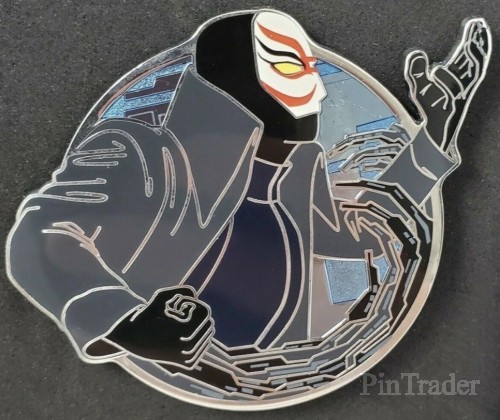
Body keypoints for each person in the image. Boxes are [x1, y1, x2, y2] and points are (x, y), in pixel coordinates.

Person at [6, 11, 489, 369]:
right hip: (178, 381)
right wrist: (126, 324)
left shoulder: (299, 170)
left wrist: (433, 135)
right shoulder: (138, 153)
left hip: (276, 375)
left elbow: (365, 228)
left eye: (311, 70)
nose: (319, 91)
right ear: (232, 74)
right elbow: (39, 236)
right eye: (291, 67)